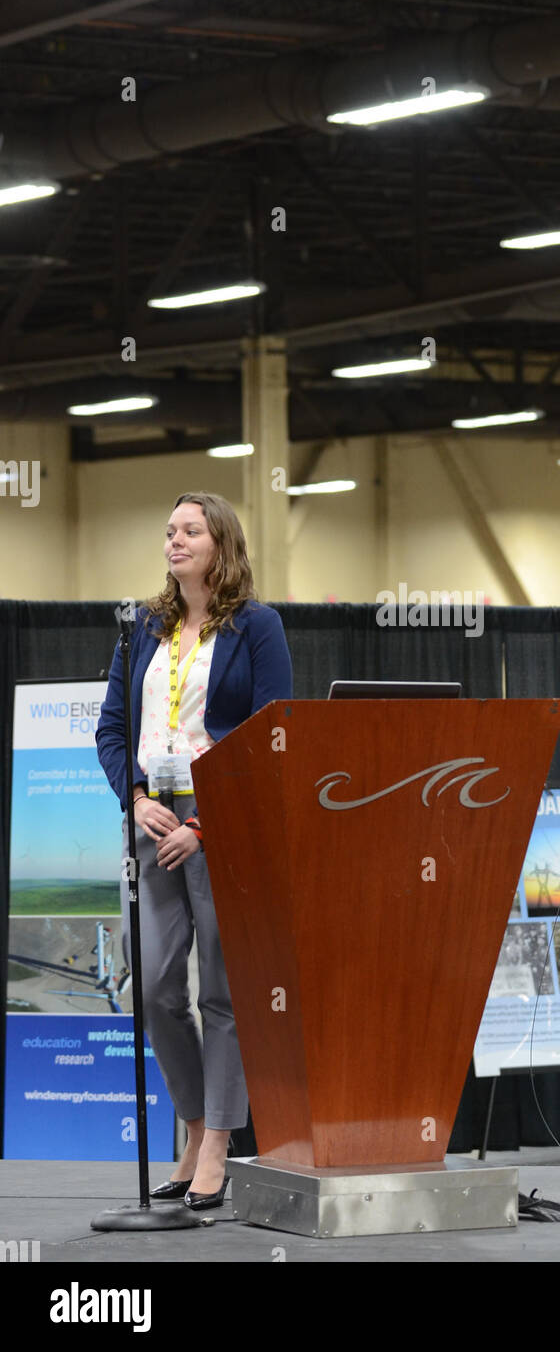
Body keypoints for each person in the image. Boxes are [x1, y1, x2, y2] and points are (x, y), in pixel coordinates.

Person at [95, 491, 293, 1210]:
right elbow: (110, 731)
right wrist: (140, 799)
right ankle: (193, 1119)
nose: (174, 540)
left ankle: (217, 1145)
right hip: (154, 822)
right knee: (151, 985)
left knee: (222, 994)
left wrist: (205, 823)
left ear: (221, 543)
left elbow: (273, 731)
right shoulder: (145, 628)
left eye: (190, 530)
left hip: (225, 823)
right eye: (169, 530)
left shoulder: (257, 627)